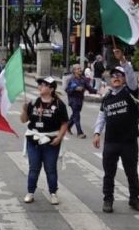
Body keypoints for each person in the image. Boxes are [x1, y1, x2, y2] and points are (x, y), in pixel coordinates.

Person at [93, 65, 139, 214]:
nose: (116, 78)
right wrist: (97, 133)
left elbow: (132, 78)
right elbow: (102, 116)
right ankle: (108, 199)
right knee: (109, 173)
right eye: (113, 76)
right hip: (111, 141)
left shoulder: (131, 92)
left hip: (128, 141)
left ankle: (134, 198)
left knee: (131, 172)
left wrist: (123, 61)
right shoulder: (107, 97)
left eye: (119, 75)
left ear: (124, 79)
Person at [21, 77, 68, 205]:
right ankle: (30, 192)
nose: (40, 86)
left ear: (51, 89)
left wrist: (59, 137)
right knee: (34, 168)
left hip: (51, 141)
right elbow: (24, 120)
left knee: (50, 168)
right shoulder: (33, 102)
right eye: (39, 84)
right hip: (34, 140)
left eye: (43, 85)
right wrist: (24, 110)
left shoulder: (59, 104)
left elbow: (64, 123)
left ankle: (53, 193)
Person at [65, 64, 96, 139]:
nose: (80, 70)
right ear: (74, 71)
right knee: (77, 116)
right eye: (78, 69)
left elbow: (89, 88)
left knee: (75, 115)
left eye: (80, 68)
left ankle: (67, 126)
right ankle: (80, 133)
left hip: (80, 100)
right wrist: (74, 89)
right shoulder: (70, 79)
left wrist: (97, 91)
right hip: (73, 100)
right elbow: (67, 90)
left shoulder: (83, 79)